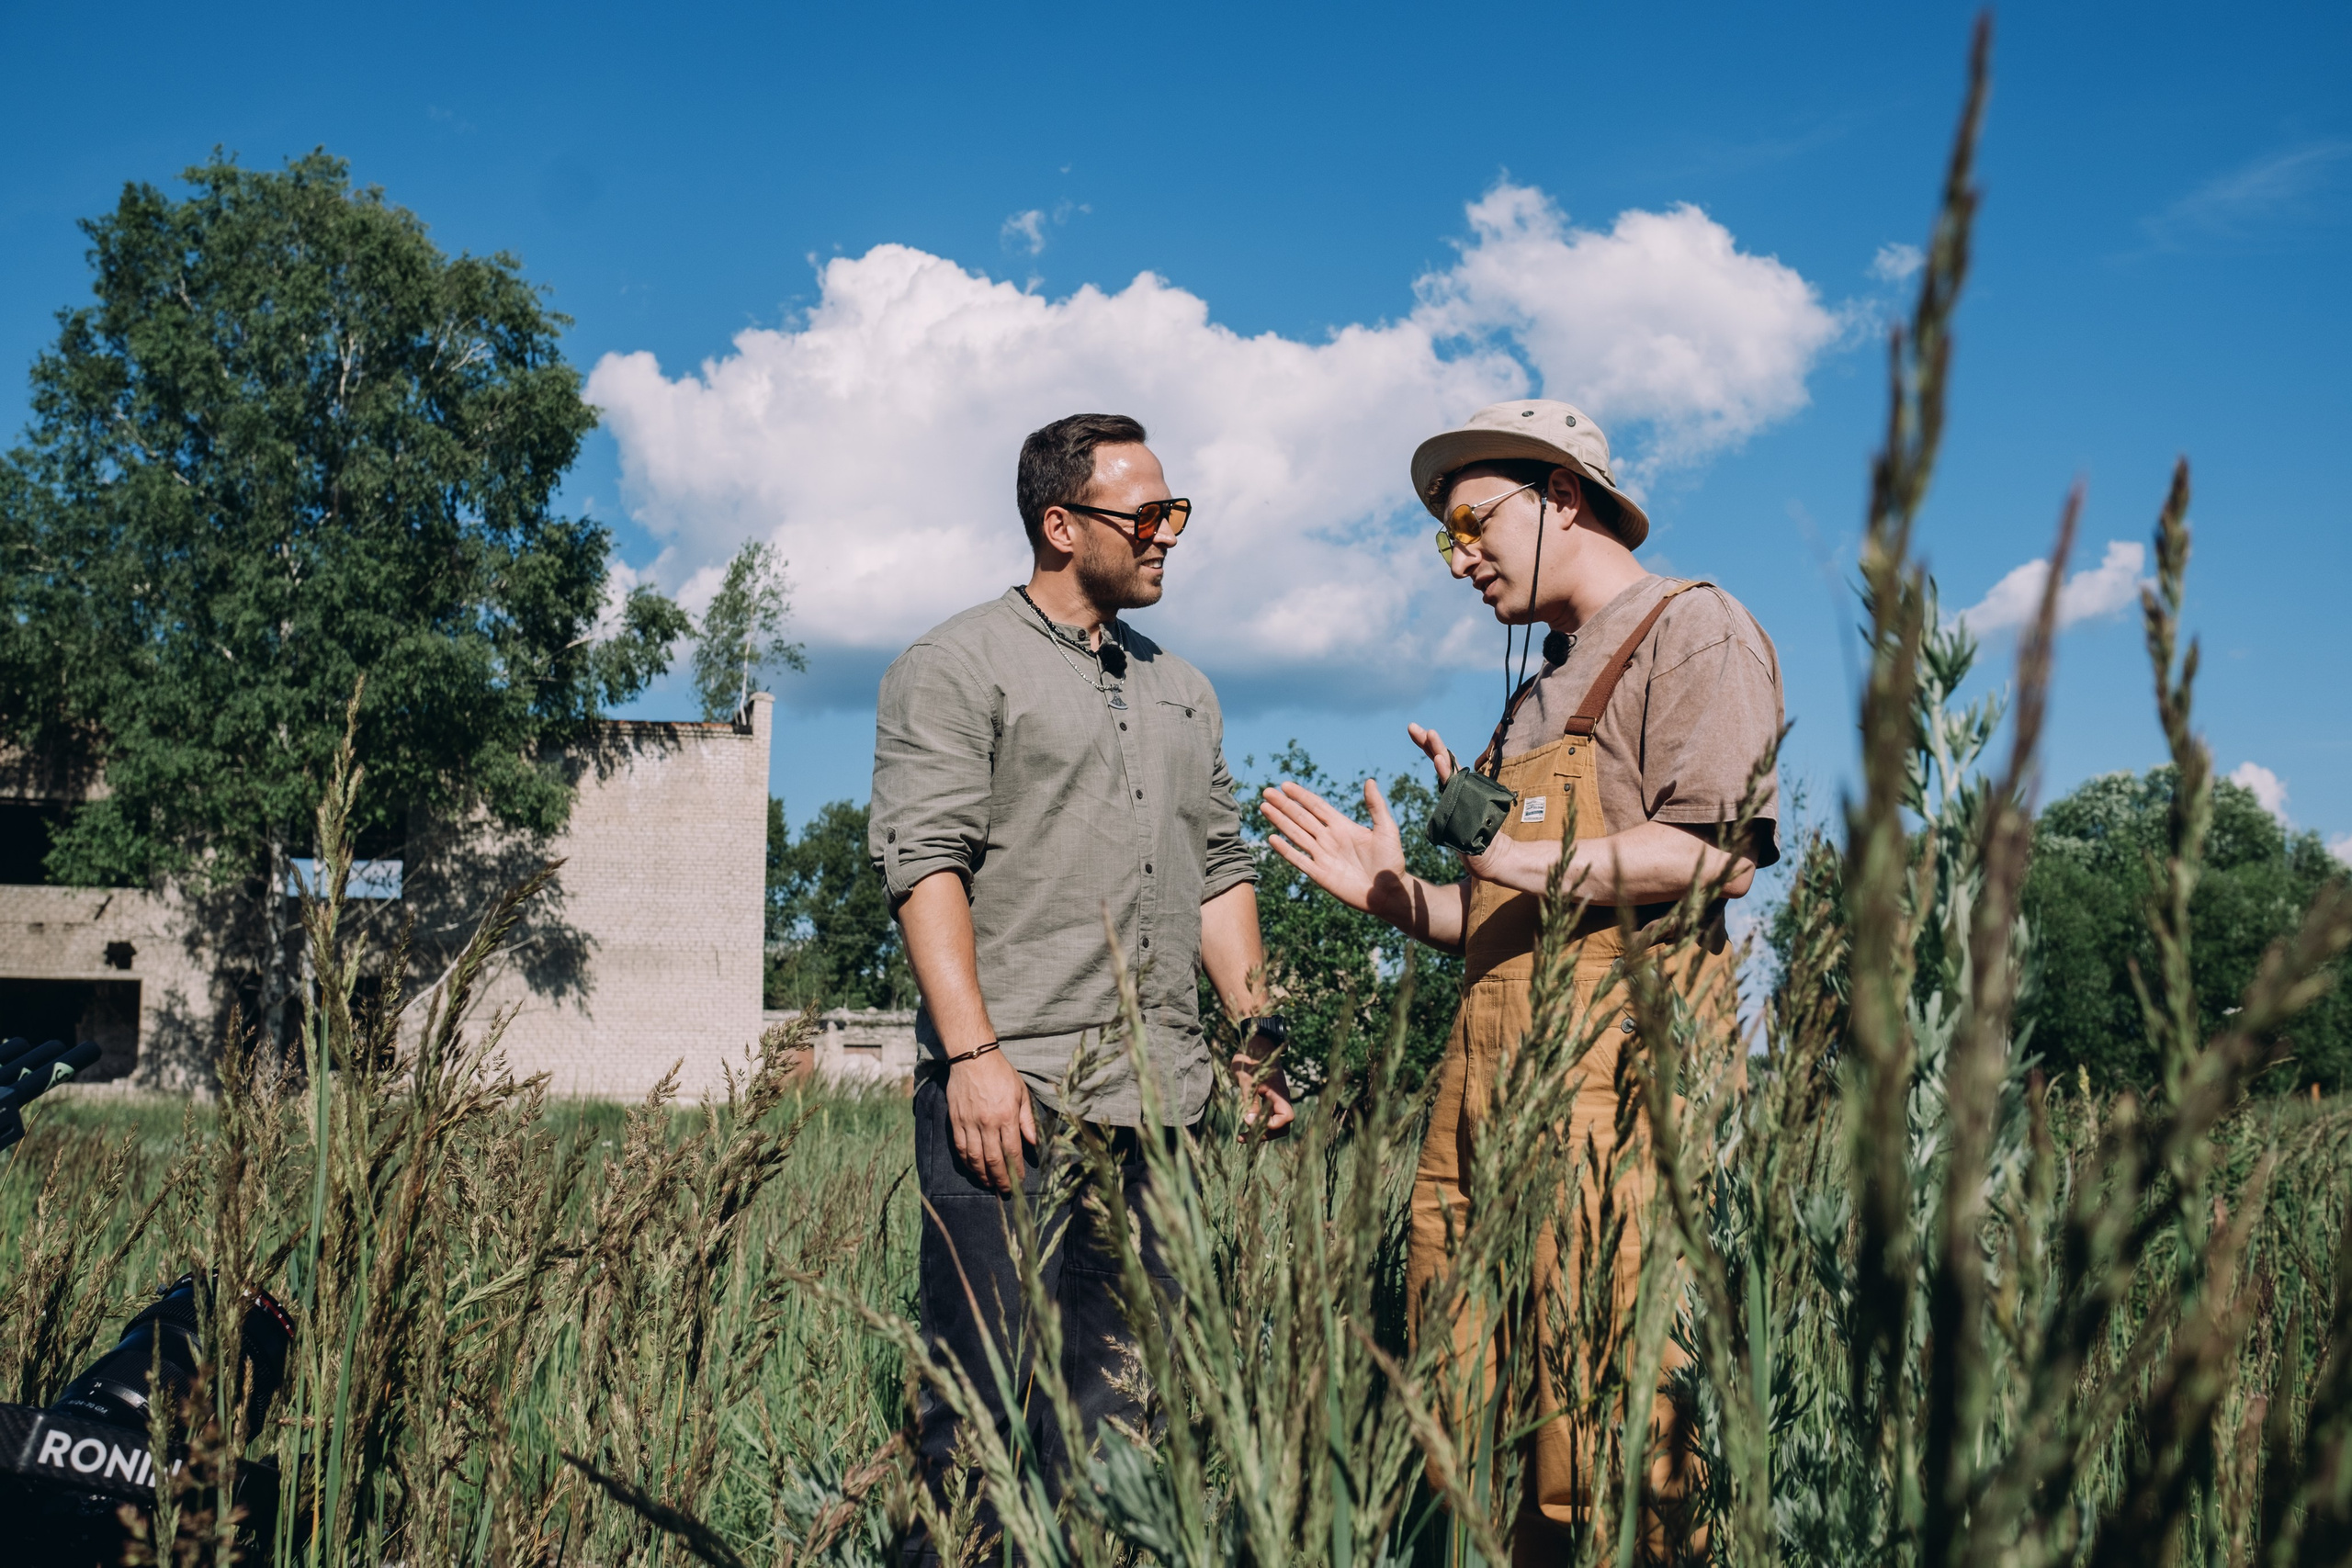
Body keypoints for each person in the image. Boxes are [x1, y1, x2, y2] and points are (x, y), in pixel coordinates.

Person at [1258, 399, 1782, 1558]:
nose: (1459, 560)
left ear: (1562, 496)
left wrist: (1511, 856)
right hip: (1477, 1113)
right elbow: (1503, 908)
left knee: (1618, 1436)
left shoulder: (1694, 631)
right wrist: (1398, 901)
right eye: (1447, 538)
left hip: (1622, 1113)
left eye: (1472, 523)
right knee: (1475, 1420)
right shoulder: (1534, 689)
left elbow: (1714, 857)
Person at [869, 412, 1295, 1566]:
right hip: (1015, 1099)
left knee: (1125, 1427)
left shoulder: (1185, 691)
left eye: (1176, 513)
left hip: (1162, 1107)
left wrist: (1252, 1041)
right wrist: (972, 1057)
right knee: (981, 1429)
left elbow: (1218, 869)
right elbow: (925, 863)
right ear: (1060, 526)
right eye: (1146, 516)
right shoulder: (955, 666)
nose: (1168, 536)